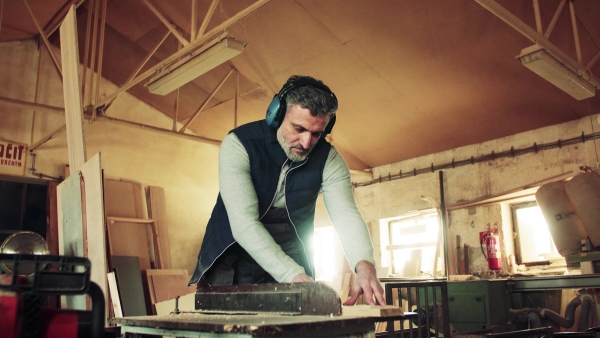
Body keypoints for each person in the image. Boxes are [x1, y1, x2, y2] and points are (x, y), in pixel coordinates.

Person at [189, 75, 385, 305]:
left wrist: (364, 264)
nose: (305, 142)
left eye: (316, 133)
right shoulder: (239, 144)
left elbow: (346, 216)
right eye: (298, 128)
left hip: (291, 252)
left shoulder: (330, 160)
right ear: (277, 115)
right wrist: (294, 276)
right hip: (234, 256)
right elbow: (244, 223)